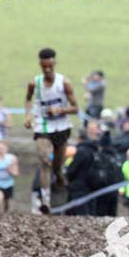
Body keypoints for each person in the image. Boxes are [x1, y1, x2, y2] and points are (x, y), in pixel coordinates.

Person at [24, 47, 78, 214]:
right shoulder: (35, 83)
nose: (47, 70)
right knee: (45, 160)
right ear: (40, 65)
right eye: (44, 67)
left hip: (61, 127)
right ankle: (45, 200)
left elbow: (75, 108)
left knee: (56, 166)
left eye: (50, 67)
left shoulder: (64, 83)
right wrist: (28, 116)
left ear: (54, 63)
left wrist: (59, 110)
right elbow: (28, 99)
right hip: (43, 126)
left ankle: (60, 176)